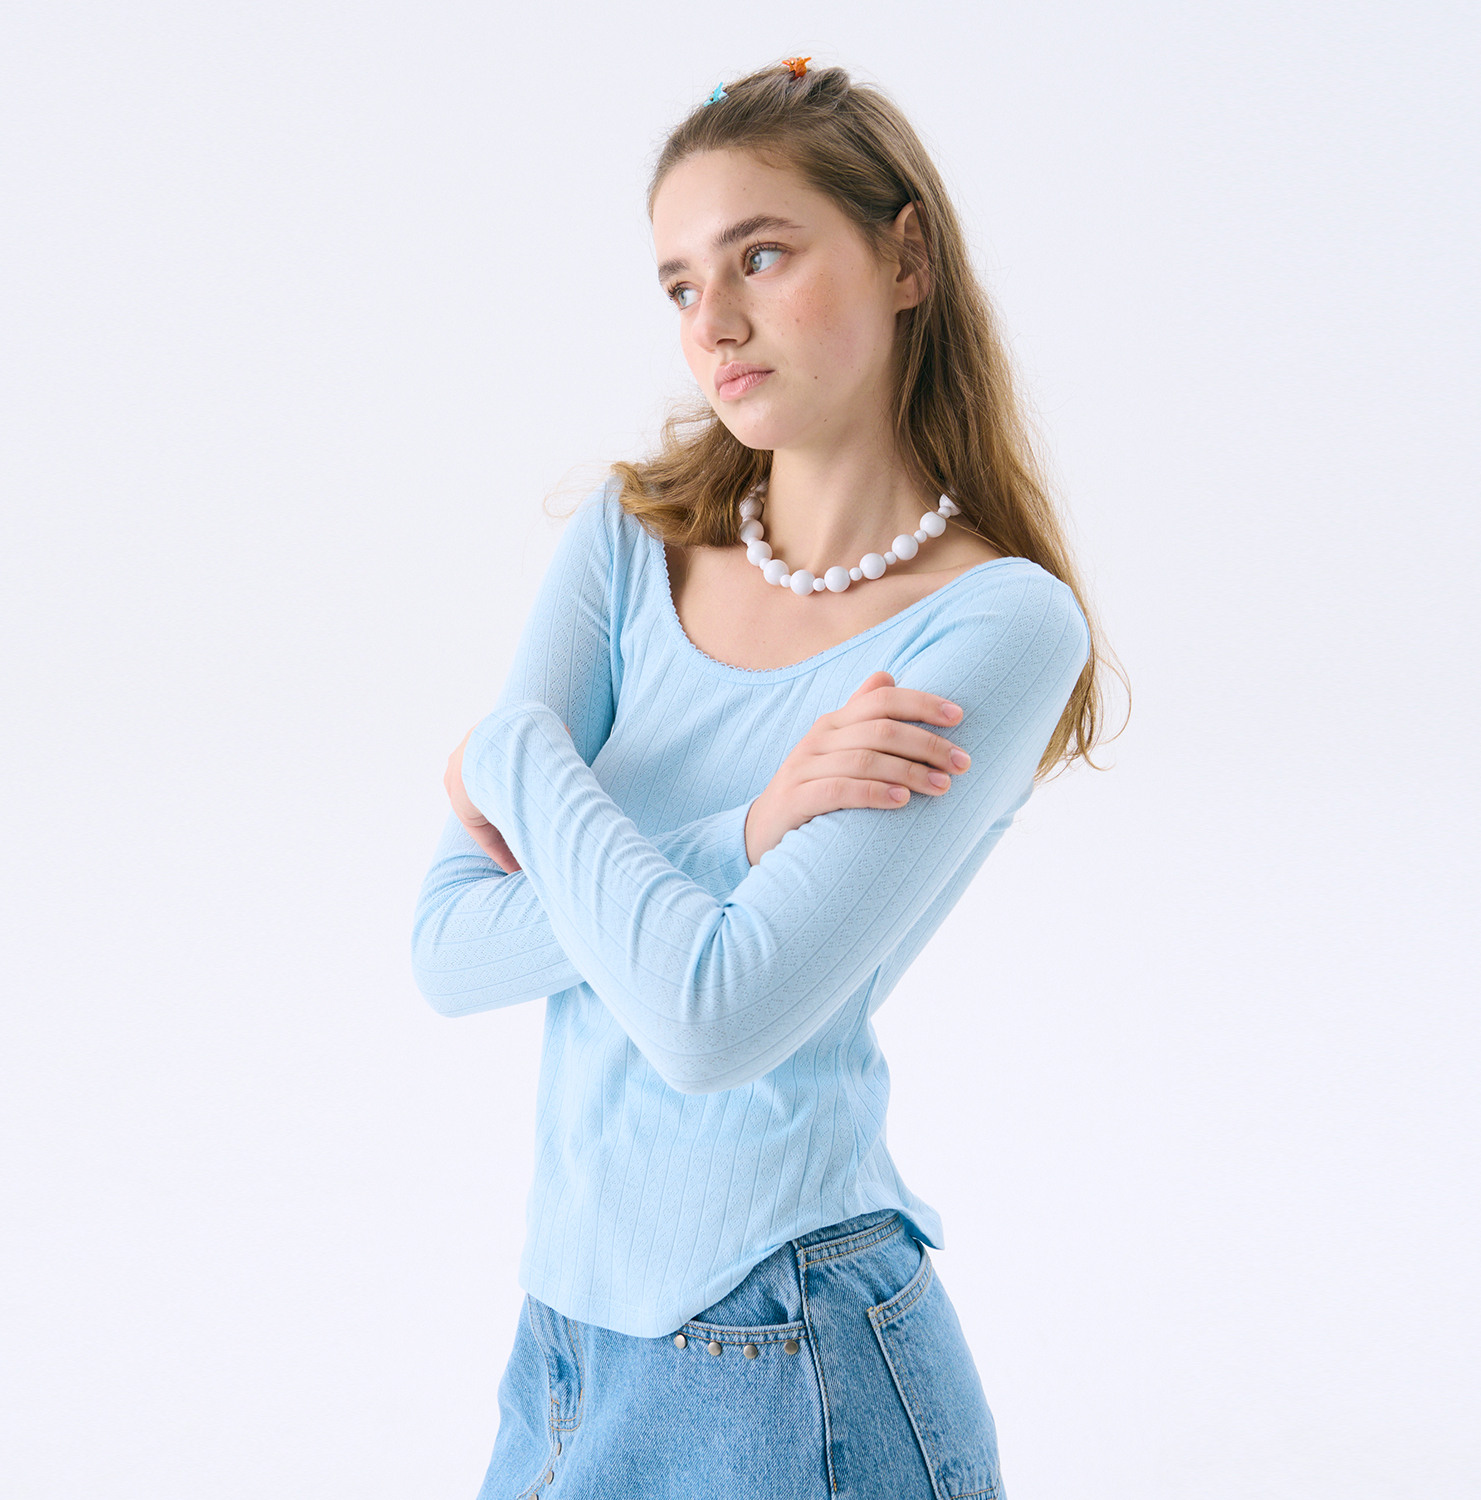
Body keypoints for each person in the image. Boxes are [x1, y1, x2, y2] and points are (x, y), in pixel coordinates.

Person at [411, 56, 1122, 1500]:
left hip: (792, 1354)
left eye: (762, 256)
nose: (713, 323)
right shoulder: (629, 541)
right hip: (562, 1347)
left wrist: (514, 752)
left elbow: (711, 1018)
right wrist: (746, 830)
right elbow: (448, 948)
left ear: (906, 257)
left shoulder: (995, 625)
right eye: (680, 284)